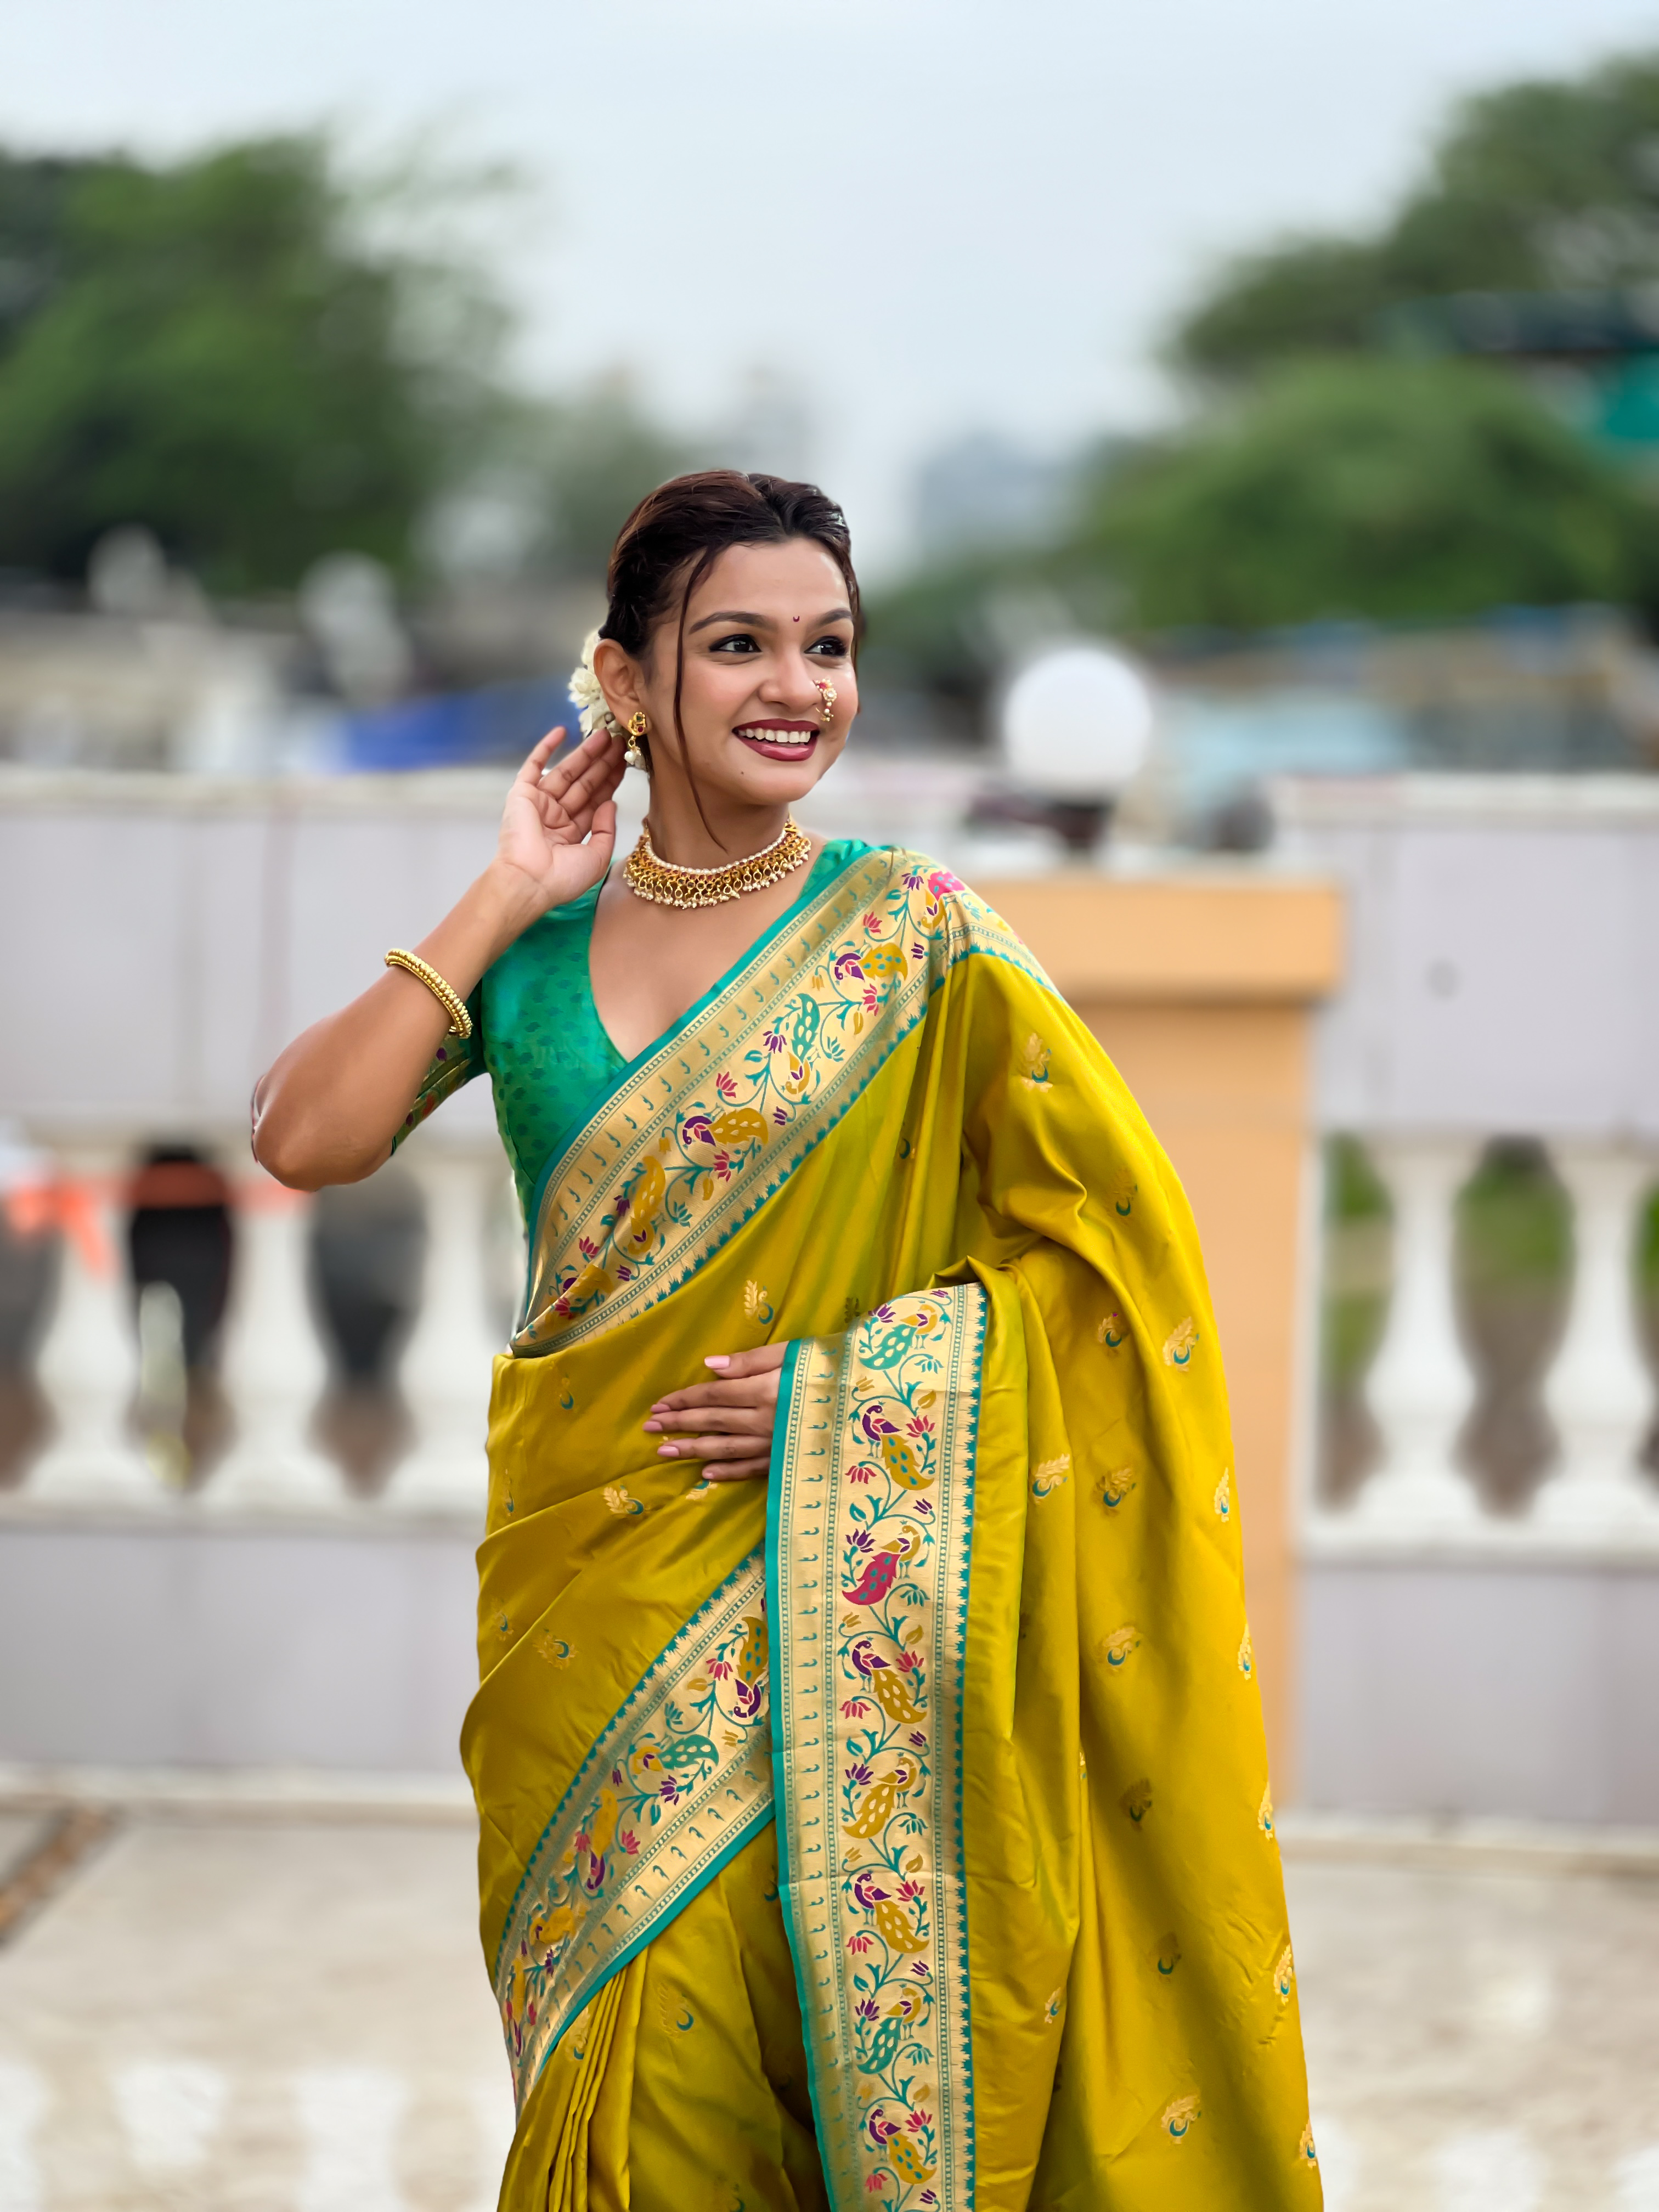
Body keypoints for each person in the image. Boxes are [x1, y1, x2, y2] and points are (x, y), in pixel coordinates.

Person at [253, 471, 1319, 2210]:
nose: (796, 687)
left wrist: (855, 1402)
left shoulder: (917, 936)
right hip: (592, 1614)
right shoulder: (535, 957)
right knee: (638, 2103)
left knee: (819, 2103)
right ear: (626, 677)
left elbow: (1119, 1264)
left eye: (828, 646)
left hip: (844, 1621)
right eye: (738, 644)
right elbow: (304, 1136)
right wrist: (506, 887)